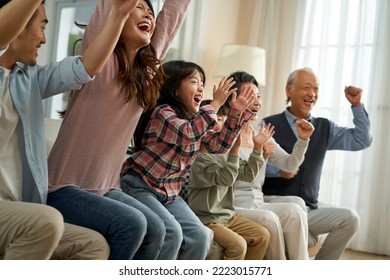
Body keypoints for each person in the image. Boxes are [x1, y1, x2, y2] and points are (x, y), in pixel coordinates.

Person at [47, 0, 191, 260]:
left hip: (107, 188)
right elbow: (109, 8)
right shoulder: (98, 61)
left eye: (150, 11)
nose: (148, 13)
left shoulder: (145, 72)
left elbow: (173, 14)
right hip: (61, 188)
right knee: (134, 224)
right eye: (139, 7)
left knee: (165, 230)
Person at [0, 0, 126, 259]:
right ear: (19, 26)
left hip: (17, 209)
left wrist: (119, 17)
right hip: (23, 216)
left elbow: (87, 67)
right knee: (47, 222)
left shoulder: (29, 79)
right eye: (41, 27)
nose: (45, 40)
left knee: (92, 245)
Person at [120, 60, 255, 259]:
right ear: (174, 89)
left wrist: (235, 112)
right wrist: (216, 104)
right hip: (140, 185)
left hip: (168, 193)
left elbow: (219, 146)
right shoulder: (162, 113)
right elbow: (188, 134)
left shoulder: (194, 121)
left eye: (202, 83)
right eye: (194, 81)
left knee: (200, 236)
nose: (201, 88)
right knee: (172, 233)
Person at [262, 67, 373, 260]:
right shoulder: (268, 124)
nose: (312, 94)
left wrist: (357, 105)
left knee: (350, 219)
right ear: (289, 90)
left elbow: (361, 140)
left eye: (316, 88)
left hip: (309, 208)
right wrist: (277, 171)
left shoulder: (324, 127)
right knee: (306, 238)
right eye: (306, 87)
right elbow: (254, 162)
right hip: (277, 205)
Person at [225, 71, 314, 260]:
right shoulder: (224, 134)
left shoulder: (260, 133)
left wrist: (303, 140)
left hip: (258, 202)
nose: (257, 102)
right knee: (276, 216)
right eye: (250, 96)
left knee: (296, 209)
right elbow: (231, 176)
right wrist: (260, 153)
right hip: (233, 205)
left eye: (259, 96)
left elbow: (289, 165)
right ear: (233, 99)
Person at [187, 99, 272, 260]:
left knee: (262, 235)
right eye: (214, 120)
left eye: (221, 119)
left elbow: (248, 175)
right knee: (238, 245)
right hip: (207, 219)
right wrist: (234, 151)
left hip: (228, 216)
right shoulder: (199, 156)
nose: (217, 123)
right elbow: (225, 179)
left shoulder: (226, 153)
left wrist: (258, 148)